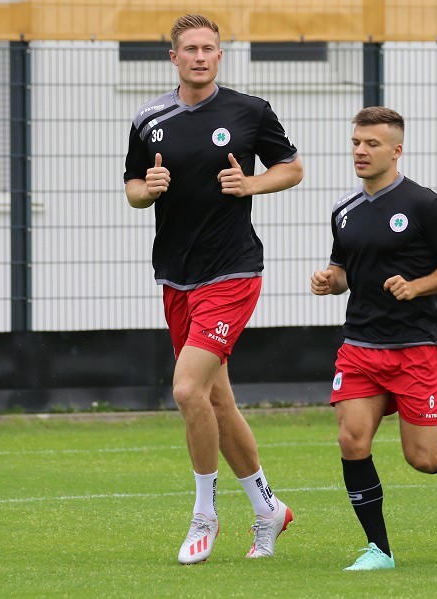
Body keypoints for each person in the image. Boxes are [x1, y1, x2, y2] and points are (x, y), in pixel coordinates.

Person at [123, 13, 303, 565]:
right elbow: (131, 187)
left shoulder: (249, 111)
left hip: (233, 272)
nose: (200, 56)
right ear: (173, 58)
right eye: (190, 49)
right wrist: (146, 190)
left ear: (220, 56)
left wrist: (251, 183)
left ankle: (204, 513)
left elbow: (292, 168)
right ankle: (268, 506)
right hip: (177, 277)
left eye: (210, 48)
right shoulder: (149, 119)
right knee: (216, 399)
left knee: (185, 390)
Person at [310, 106, 437, 571]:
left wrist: (416, 286)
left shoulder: (423, 205)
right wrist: (331, 280)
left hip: (417, 349)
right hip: (360, 348)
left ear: (396, 149)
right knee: (352, 439)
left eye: (372, 143)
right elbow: (344, 269)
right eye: (356, 142)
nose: (361, 151)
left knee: (422, 458)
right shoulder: (344, 211)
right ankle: (379, 550)